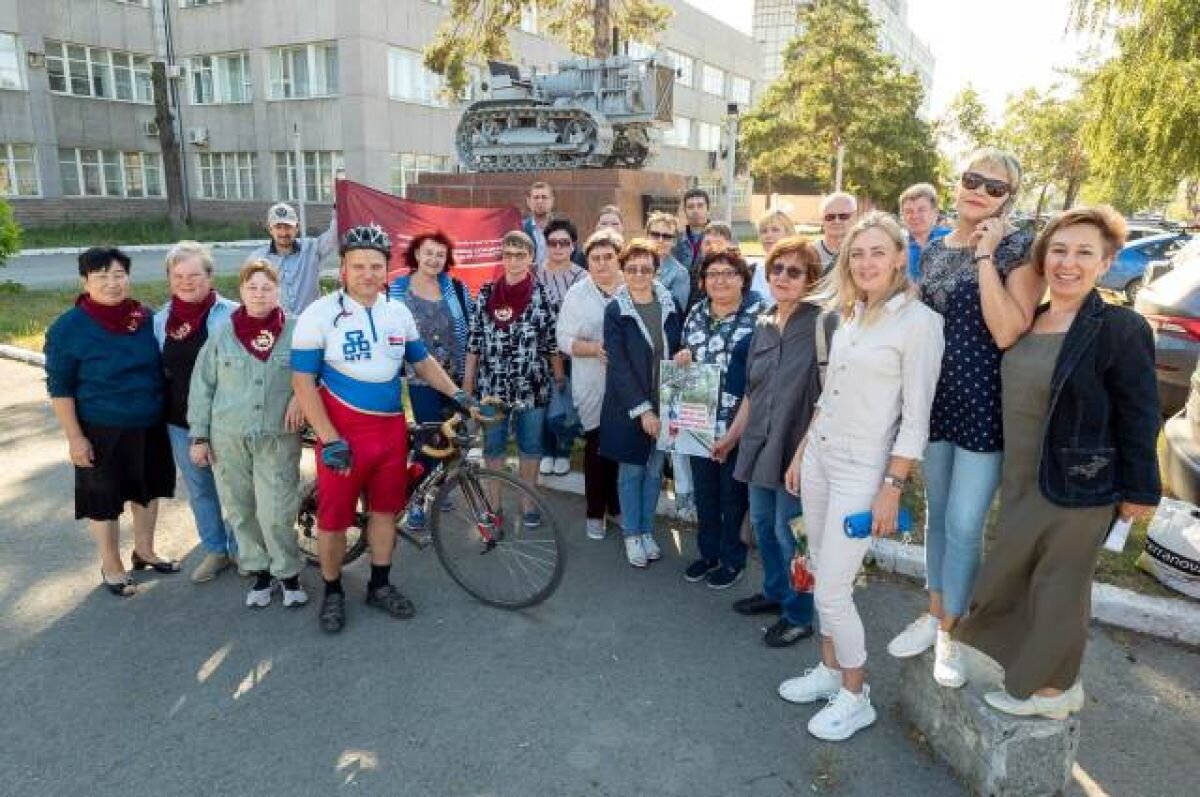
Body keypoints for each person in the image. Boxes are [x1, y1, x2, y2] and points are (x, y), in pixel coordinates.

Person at [951, 206, 1160, 719]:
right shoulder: (1033, 318)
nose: (1068, 263)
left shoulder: (1118, 328)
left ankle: (1052, 691)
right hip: (1023, 478)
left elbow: (1140, 414)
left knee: (1059, 586)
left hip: (1081, 483)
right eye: (1059, 251)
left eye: (1084, 252)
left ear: (1106, 262)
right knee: (1020, 577)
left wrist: (1139, 491)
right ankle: (1038, 671)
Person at [776, 212, 943, 742]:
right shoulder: (851, 315)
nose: (866, 263)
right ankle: (829, 671)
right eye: (857, 254)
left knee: (832, 591)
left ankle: (855, 694)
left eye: (877, 252)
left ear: (899, 257)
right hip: (823, 458)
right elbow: (829, 395)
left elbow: (916, 420)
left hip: (864, 470)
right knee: (818, 569)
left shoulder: (920, 323)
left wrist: (890, 487)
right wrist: (803, 450)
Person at [887, 148, 1042, 689]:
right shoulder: (933, 251)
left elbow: (1007, 331)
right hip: (934, 402)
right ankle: (935, 614)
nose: (980, 190)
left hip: (985, 408)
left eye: (995, 187)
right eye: (973, 179)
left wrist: (985, 256)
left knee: (964, 524)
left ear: (1009, 199)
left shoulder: (1018, 248)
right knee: (936, 518)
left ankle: (955, 630)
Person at [291, 224, 476, 633]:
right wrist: (329, 437)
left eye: (376, 266)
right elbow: (302, 382)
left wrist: (456, 394)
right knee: (334, 522)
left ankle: (379, 583)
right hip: (341, 435)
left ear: (386, 268)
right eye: (358, 266)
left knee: (384, 514)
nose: (368, 274)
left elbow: (422, 361)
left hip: (390, 433)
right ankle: (333, 589)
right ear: (343, 268)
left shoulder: (397, 311)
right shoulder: (319, 314)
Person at [44, 247, 177, 597]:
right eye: (101, 276)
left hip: (149, 422)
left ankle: (145, 550)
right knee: (104, 498)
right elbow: (60, 386)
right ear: (85, 281)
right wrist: (74, 437)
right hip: (100, 428)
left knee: (147, 489)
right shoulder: (69, 327)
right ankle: (111, 564)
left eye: (119, 275)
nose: (112, 283)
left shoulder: (145, 318)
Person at [719, 237, 824, 646]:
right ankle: (777, 592)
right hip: (759, 446)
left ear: (810, 279)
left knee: (793, 533)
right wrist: (731, 438)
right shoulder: (762, 323)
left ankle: (800, 613)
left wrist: (802, 455)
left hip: (798, 448)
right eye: (777, 269)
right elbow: (752, 392)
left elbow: (830, 396)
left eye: (794, 271)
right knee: (762, 525)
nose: (782, 277)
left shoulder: (822, 324)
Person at [188, 260, 308, 609]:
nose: (259, 294)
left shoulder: (297, 331)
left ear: (278, 291)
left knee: (277, 509)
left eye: (266, 288)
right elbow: (202, 387)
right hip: (229, 435)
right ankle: (259, 573)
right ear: (241, 291)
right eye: (252, 288)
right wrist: (199, 436)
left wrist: (302, 395)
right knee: (240, 508)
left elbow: (316, 369)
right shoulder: (223, 333)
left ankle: (288, 574)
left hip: (277, 436)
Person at [675, 250, 767, 589]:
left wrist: (735, 430)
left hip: (740, 423)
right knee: (706, 494)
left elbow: (764, 374)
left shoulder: (760, 315)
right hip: (698, 421)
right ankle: (708, 554)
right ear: (703, 281)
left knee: (733, 496)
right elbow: (687, 352)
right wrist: (683, 356)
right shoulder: (697, 312)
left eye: (729, 273)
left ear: (743, 278)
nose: (721, 280)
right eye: (713, 274)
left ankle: (733, 560)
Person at [152, 241, 239, 583]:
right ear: (170, 279)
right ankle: (217, 550)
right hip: (180, 422)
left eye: (194, 274)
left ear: (210, 275)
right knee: (201, 488)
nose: (186, 281)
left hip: (228, 418)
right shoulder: (160, 320)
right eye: (178, 275)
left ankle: (243, 548)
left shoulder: (233, 314)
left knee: (235, 488)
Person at [463, 230, 564, 525]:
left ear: (531, 258)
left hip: (532, 388)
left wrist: (559, 379)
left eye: (520, 255)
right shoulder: (485, 293)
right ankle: (494, 506)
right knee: (493, 447)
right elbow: (474, 343)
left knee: (530, 447)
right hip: (491, 388)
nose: (514, 261)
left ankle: (527, 503)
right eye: (508, 254)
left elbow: (551, 344)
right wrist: (467, 386)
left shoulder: (541, 295)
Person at [600, 238, 683, 568]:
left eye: (645, 268)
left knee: (653, 473)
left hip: (665, 401)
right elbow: (618, 364)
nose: (638, 274)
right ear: (623, 269)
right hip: (629, 407)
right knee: (631, 472)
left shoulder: (671, 303)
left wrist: (685, 353)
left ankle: (647, 529)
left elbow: (679, 344)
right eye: (631, 268)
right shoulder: (616, 309)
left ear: (655, 270)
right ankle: (631, 534)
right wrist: (643, 410)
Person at [387, 231, 472, 531]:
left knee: (450, 437)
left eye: (440, 254)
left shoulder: (456, 289)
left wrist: (467, 382)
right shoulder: (396, 291)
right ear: (417, 255)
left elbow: (470, 333)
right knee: (428, 441)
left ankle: (440, 488)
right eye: (428, 253)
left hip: (454, 377)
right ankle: (417, 502)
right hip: (420, 378)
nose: (434, 259)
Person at [557, 230, 625, 540]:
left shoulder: (634, 286)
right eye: (595, 258)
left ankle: (618, 507)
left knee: (623, 448)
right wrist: (594, 349)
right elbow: (563, 339)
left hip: (629, 385)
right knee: (598, 447)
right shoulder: (577, 294)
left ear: (618, 258)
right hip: (593, 382)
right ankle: (595, 512)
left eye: (608, 256)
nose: (601, 263)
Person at [537, 218, 588, 476]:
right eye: (552, 242)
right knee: (546, 401)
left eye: (564, 243)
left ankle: (564, 450)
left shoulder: (583, 276)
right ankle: (547, 450)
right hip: (540, 352)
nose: (558, 247)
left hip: (572, 350)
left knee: (567, 399)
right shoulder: (534, 273)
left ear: (573, 245)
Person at [249, 202, 338, 315]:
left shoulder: (312, 249)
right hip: (274, 325)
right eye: (278, 227)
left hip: (310, 322)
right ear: (270, 229)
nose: (283, 232)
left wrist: (337, 206)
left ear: (297, 227)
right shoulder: (258, 258)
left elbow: (334, 235)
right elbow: (249, 291)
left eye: (288, 227)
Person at [899, 182, 951, 282]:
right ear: (902, 216)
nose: (915, 216)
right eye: (909, 211)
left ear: (935, 212)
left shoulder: (951, 239)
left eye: (921, 210)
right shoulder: (897, 247)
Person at [646, 211, 691, 310]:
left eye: (666, 236)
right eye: (655, 234)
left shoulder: (680, 273)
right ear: (647, 236)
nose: (660, 240)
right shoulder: (632, 265)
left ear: (674, 242)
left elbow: (676, 310)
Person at [750, 210, 796, 298]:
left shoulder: (801, 269)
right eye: (764, 231)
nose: (768, 235)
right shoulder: (752, 270)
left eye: (775, 230)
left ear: (788, 233)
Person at [671, 187, 711, 277]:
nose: (695, 210)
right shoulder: (675, 239)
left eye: (700, 206)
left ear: (708, 209)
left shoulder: (722, 237)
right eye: (690, 207)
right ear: (685, 211)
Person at [816, 192, 857, 274]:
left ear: (855, 217)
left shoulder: (864, 252)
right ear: (822, 220)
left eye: (843, 216)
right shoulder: (810, 253)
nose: (837, 221)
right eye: (830, 217)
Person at [522, 181, 555, 267]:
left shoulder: (562, 229)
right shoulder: (520, 229)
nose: (540, 201)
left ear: (552, 201)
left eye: (544, 197)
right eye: (536, 198)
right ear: (528, 202)